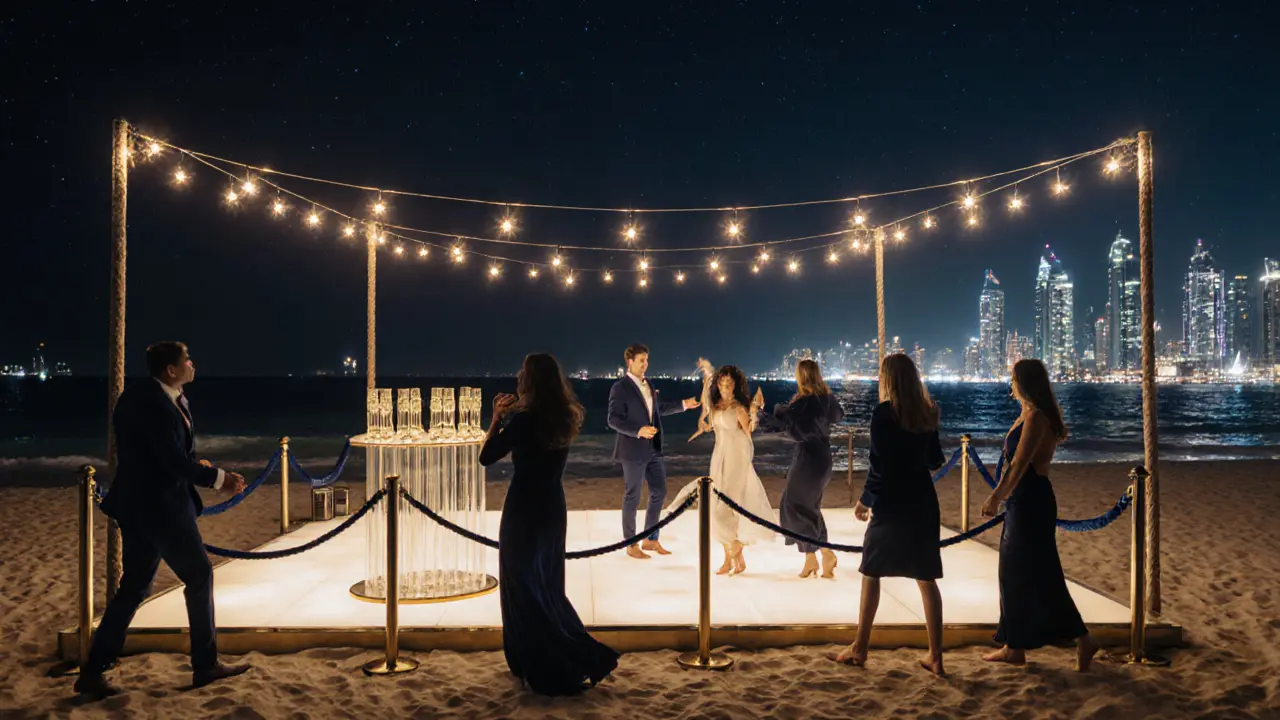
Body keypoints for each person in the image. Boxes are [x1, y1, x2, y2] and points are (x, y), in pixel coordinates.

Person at [74, 342, 250, 700]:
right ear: (171, 369)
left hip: (141, 505)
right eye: (187, 360)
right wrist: (219, 479)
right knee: (199, 575)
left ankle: (94, 670)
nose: (192, 364)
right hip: (160, 508)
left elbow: (167, 453)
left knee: (135, 586)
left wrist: (196, 465)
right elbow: (168, 460)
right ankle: (205, 665)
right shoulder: (152, 403)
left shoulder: (166, 397)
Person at [479, 353, 620, 695]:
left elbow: (486, 456)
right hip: (552, 507)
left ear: (529, 380)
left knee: (522, 584)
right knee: (547, 585)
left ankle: (537, 661)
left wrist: (497, 418)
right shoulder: (563, 417)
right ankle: (561, 655)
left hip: (525, 507)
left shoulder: (523, 421)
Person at [980, 358, 1100, 671]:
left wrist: (996, 497)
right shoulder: (1028, 413)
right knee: (1018, 571)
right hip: (1023, 499)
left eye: (1014, 378)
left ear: (1024, 382)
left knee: (1036, 573)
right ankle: (1014, 645)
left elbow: (1020, 465)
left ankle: (1081, 639)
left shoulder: (1036, 417)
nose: (1010, 382)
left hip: (1031, 500)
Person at [830, 353, 946, 676]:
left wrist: (865, 501)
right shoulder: (928, 411)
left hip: (893, 502)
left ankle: (860, 648)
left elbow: (878, 466)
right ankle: (936, 656)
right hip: (922, 500)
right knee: (926, 577)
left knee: (871, 570)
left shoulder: (883, 414)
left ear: (888, 380)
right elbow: (936, 459)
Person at [675, 358, 775, 575]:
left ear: (735, 385)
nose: (725, 387)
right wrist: (707, 372)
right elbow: (710, 421)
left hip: (737, 458)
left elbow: (748, 433)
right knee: (716, 507)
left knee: (729, 508)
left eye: (729, 383)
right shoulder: (716, 405)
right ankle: (730, 557)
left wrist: (756, 409)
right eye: (722, 383)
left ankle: (735, 551)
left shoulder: (739, 407)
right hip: (719, 457)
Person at [606, 344, 700, 559]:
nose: (645, 364)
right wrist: (638, 431)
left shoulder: (649, 384)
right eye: (641, 360)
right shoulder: (620, 388)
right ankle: (631, 544)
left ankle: (651, 538)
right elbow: (613, 419)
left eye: (647, 360)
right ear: (630, 362)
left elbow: (659, 409)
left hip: (653, 449)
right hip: (632, 450)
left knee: (659, 491)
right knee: (633, 496)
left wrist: (684, 405)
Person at [755, 359, 845, 578]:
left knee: (794, 505)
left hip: (808, 459)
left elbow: (787, 426)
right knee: (807, 507)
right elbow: (837, 415)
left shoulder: (805, 402)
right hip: (822, 456)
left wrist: (758, 412)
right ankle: (821, 555)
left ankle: (814, 557)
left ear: (801, 376)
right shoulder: (826, 399)